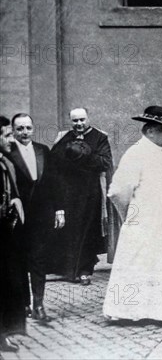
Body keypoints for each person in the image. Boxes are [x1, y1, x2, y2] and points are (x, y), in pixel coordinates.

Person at [103, 106, 162, 326]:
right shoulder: (136, 153)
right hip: (144, 224)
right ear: (150, 130)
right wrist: (133, 216)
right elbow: (117, 191)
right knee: (137, 266)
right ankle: (125, 311)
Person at [47, 107, 117, 285]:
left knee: (88, 230)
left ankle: (85, 270)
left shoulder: (100, 137)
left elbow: (105, 162)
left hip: (90, 192)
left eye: (82, 120)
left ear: (88, 118)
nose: (79, 124)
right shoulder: (65, 137)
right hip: (68, 191)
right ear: (71, 121)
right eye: (75, 121)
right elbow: (53, 161)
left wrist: (84, 154)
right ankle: (69, 270)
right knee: (70, 230)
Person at [7, 113, 60, 322]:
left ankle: (39, 304)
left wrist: (59, 209)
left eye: (28, 128)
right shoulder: (7, 153)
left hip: (41, 215)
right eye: (20, 129)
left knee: (38, 260)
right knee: (19, 260)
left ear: (33, 128)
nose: (24, 132)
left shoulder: (42, 150)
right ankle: (24, 304)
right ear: (13, 131)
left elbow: (53, 182)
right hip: (16, 216)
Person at [0, 116, 26, 352]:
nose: (12, 139)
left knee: (9, 285)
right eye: (7, 135)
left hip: (7, 235)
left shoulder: (5, 162)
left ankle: (3, 335)